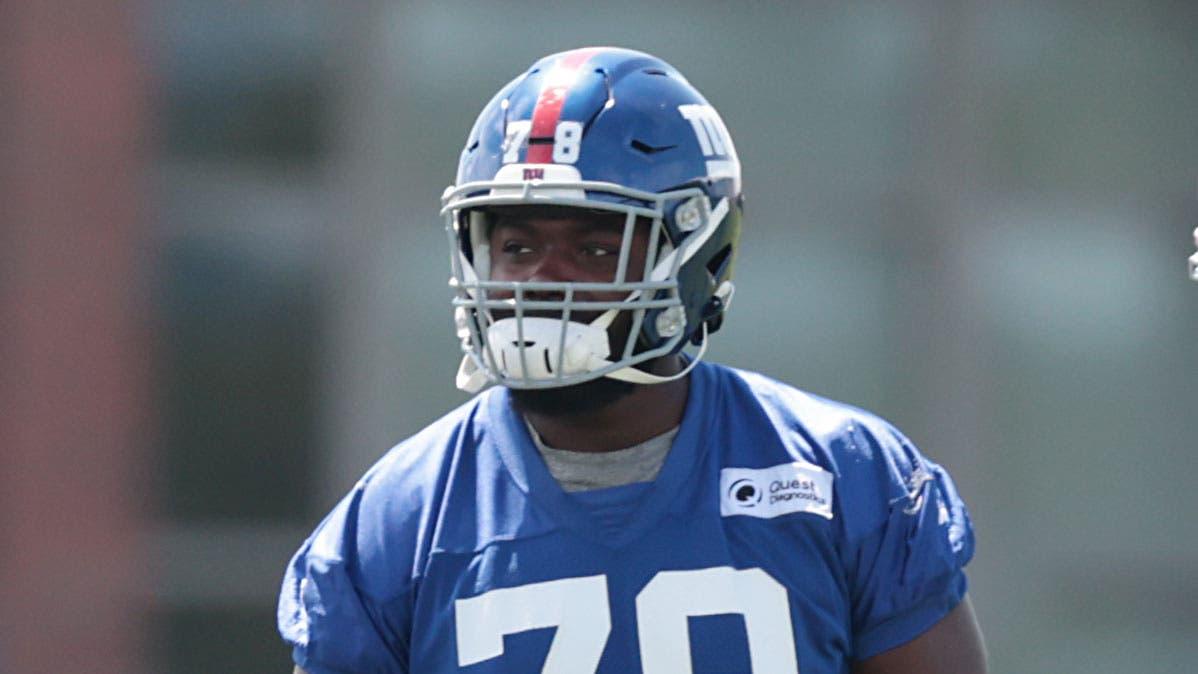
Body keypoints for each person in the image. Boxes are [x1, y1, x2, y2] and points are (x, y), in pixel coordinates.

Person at [278, 47, 986, 673]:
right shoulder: (395, 524)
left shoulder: (842, 477)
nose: (542, 282)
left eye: (593, 248)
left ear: (695, 258)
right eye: (518, 247)